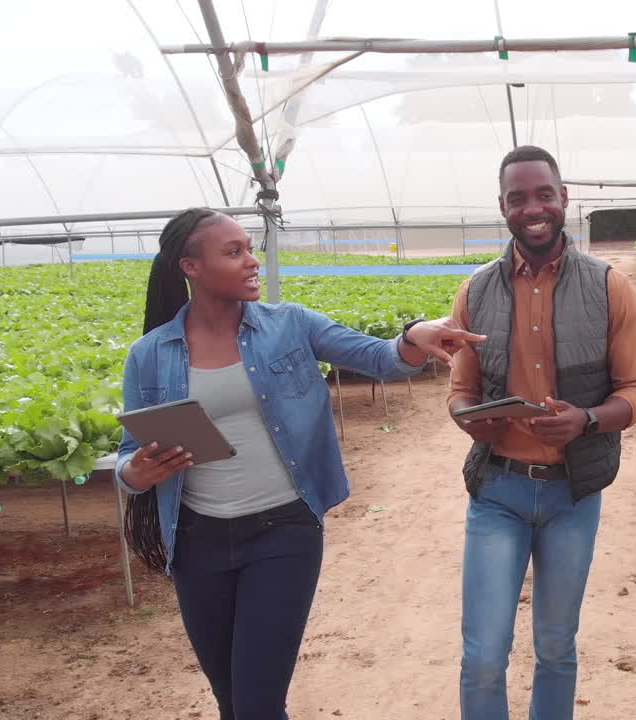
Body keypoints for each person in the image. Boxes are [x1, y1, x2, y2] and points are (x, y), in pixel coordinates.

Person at [115, 207, 483, 720]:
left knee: (258, 704)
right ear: (190, 268)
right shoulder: (150, 353)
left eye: (249, 247)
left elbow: (380, 357)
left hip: (281, 530)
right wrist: (137, 474)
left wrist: (413, 335)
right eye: (234, 251)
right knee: (231, 701)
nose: (252, 261)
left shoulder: (290, 325)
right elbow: (130, 456)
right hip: (196, 541)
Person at [447, 146, 636, 720]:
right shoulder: (475, 291)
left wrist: (586, 420)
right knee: (484, 654)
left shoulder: (609, 287)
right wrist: (472, 417)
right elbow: (458, 391)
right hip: (499, 493)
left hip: (571, 494)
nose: (532, 208)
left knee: (557, 647)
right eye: (518, 198)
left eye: (544, 195)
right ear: (503, 207)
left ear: (565, 200)